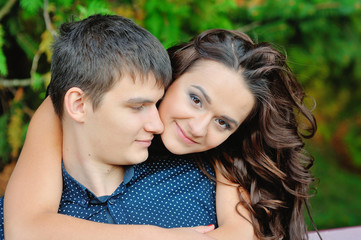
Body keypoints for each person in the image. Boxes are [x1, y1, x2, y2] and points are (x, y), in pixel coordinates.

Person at [3, 17, 317, 240]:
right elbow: (26, 227)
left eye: (223, 122)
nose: (198, 127)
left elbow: (239, 233)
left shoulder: (221, 159)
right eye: (195, 99)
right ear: (172, 77)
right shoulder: (87, 98)